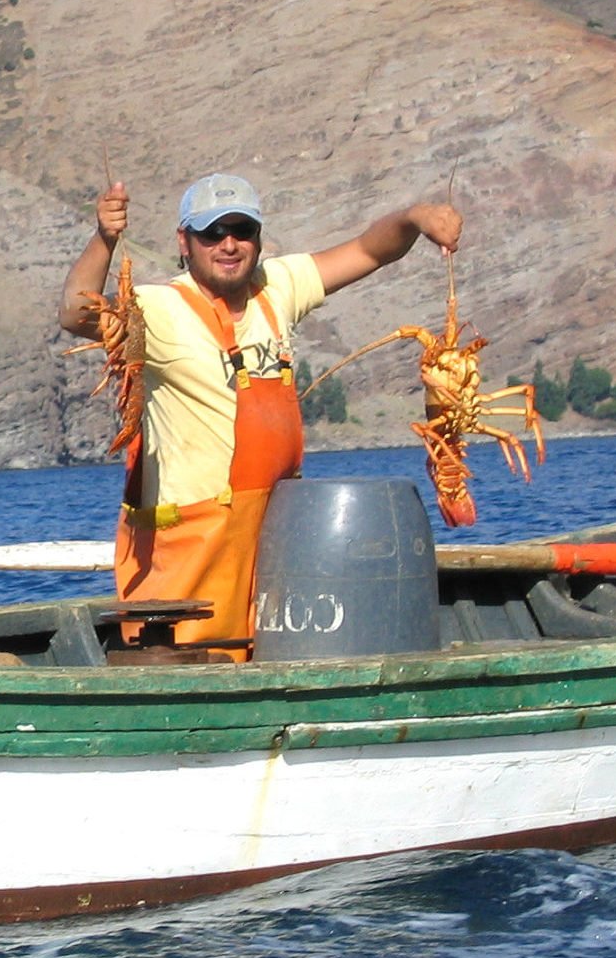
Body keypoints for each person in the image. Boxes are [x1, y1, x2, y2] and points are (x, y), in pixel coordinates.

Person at [58, 172, 463, 654]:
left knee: (276, 657)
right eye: (212, 233)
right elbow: (75, 313)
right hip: (191, 544)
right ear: (184, 242)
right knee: (190, 670)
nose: (228, 245)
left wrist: (415, 217)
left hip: (277, 537)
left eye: (242, 231)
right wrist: (105, 238)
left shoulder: (278, 288)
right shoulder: (154, 307)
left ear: (258, 239)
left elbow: (372, 250)